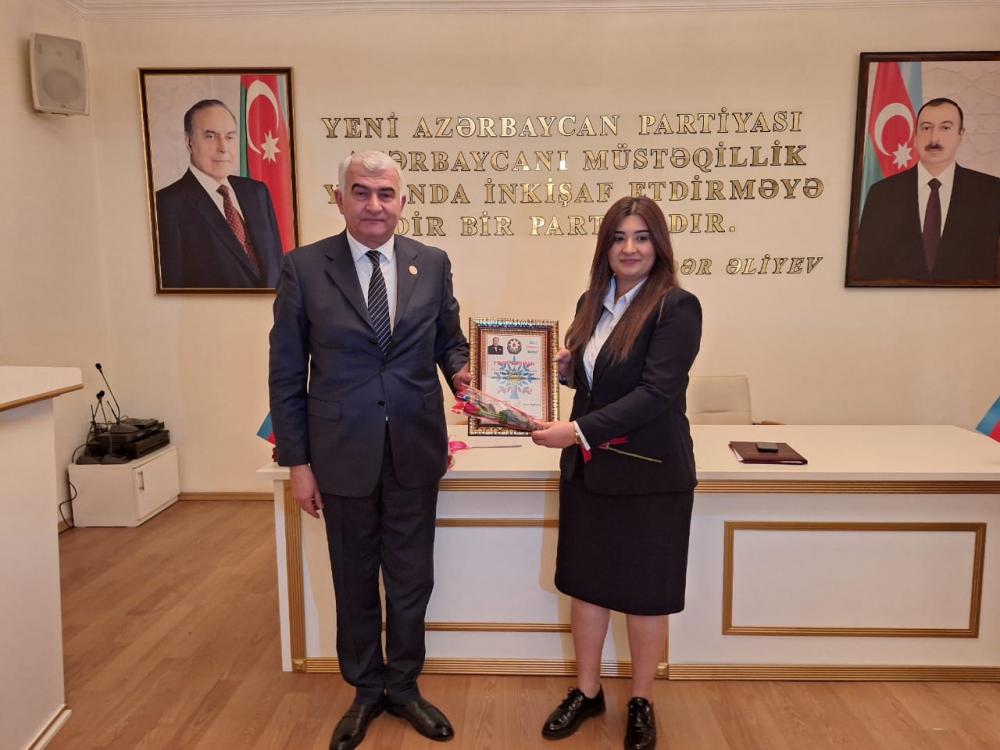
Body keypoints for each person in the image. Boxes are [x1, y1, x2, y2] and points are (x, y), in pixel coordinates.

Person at [269, 150, 470, 750]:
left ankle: (403, 686)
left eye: (385, 194)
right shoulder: (304, 268)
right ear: (340, 199)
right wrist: (297, 462)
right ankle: (364, 689)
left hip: (415, 447)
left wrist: (470, 377)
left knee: (411, 579)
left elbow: (450, 343)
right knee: (353, 578)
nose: (374, 205)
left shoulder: (432, 263)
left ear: (403, 201)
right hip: (340, 452)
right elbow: (286, 372)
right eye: (361, 192)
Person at [531, 196, 702, 750]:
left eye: (642, 237)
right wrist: (568, 372)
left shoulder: (676, 307)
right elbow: (602, 382)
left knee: (646, 594)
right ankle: (587, 692)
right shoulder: (591, 302)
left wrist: (577, 430)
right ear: (605, 246)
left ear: (659, 245)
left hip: (651, 478)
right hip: (590, 474)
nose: (629, 248)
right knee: (587, 586)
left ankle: (641, 700)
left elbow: (656, 393)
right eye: (619, 237)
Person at [853, 97, 1000, 285]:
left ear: (961, 135)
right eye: (926, 128)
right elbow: (865, 270)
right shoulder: (881, 194)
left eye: (945, 128)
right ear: (915, 135)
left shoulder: (992, 192)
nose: (933, 139)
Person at [155, 99, 284, 289]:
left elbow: (278, 268)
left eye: (230, 137)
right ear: (189, 142)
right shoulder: (166, 204)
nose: (223, 147)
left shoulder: (257, 192)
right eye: (210, 136)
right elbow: (173, 291)